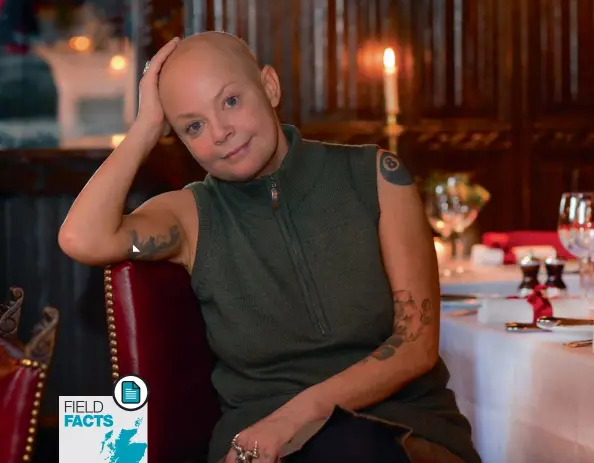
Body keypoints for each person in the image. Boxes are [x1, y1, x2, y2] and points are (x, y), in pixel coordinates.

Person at [59, 32, 481, 463]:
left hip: (402, 428)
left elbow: (415, 346)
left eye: (230, 101)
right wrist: (146, 126)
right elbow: (81, 238)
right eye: (194, 126)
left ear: (270, 87)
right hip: (260, 446)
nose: (221, 132)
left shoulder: (376, 177)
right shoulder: (189, 216)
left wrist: (295, 418)